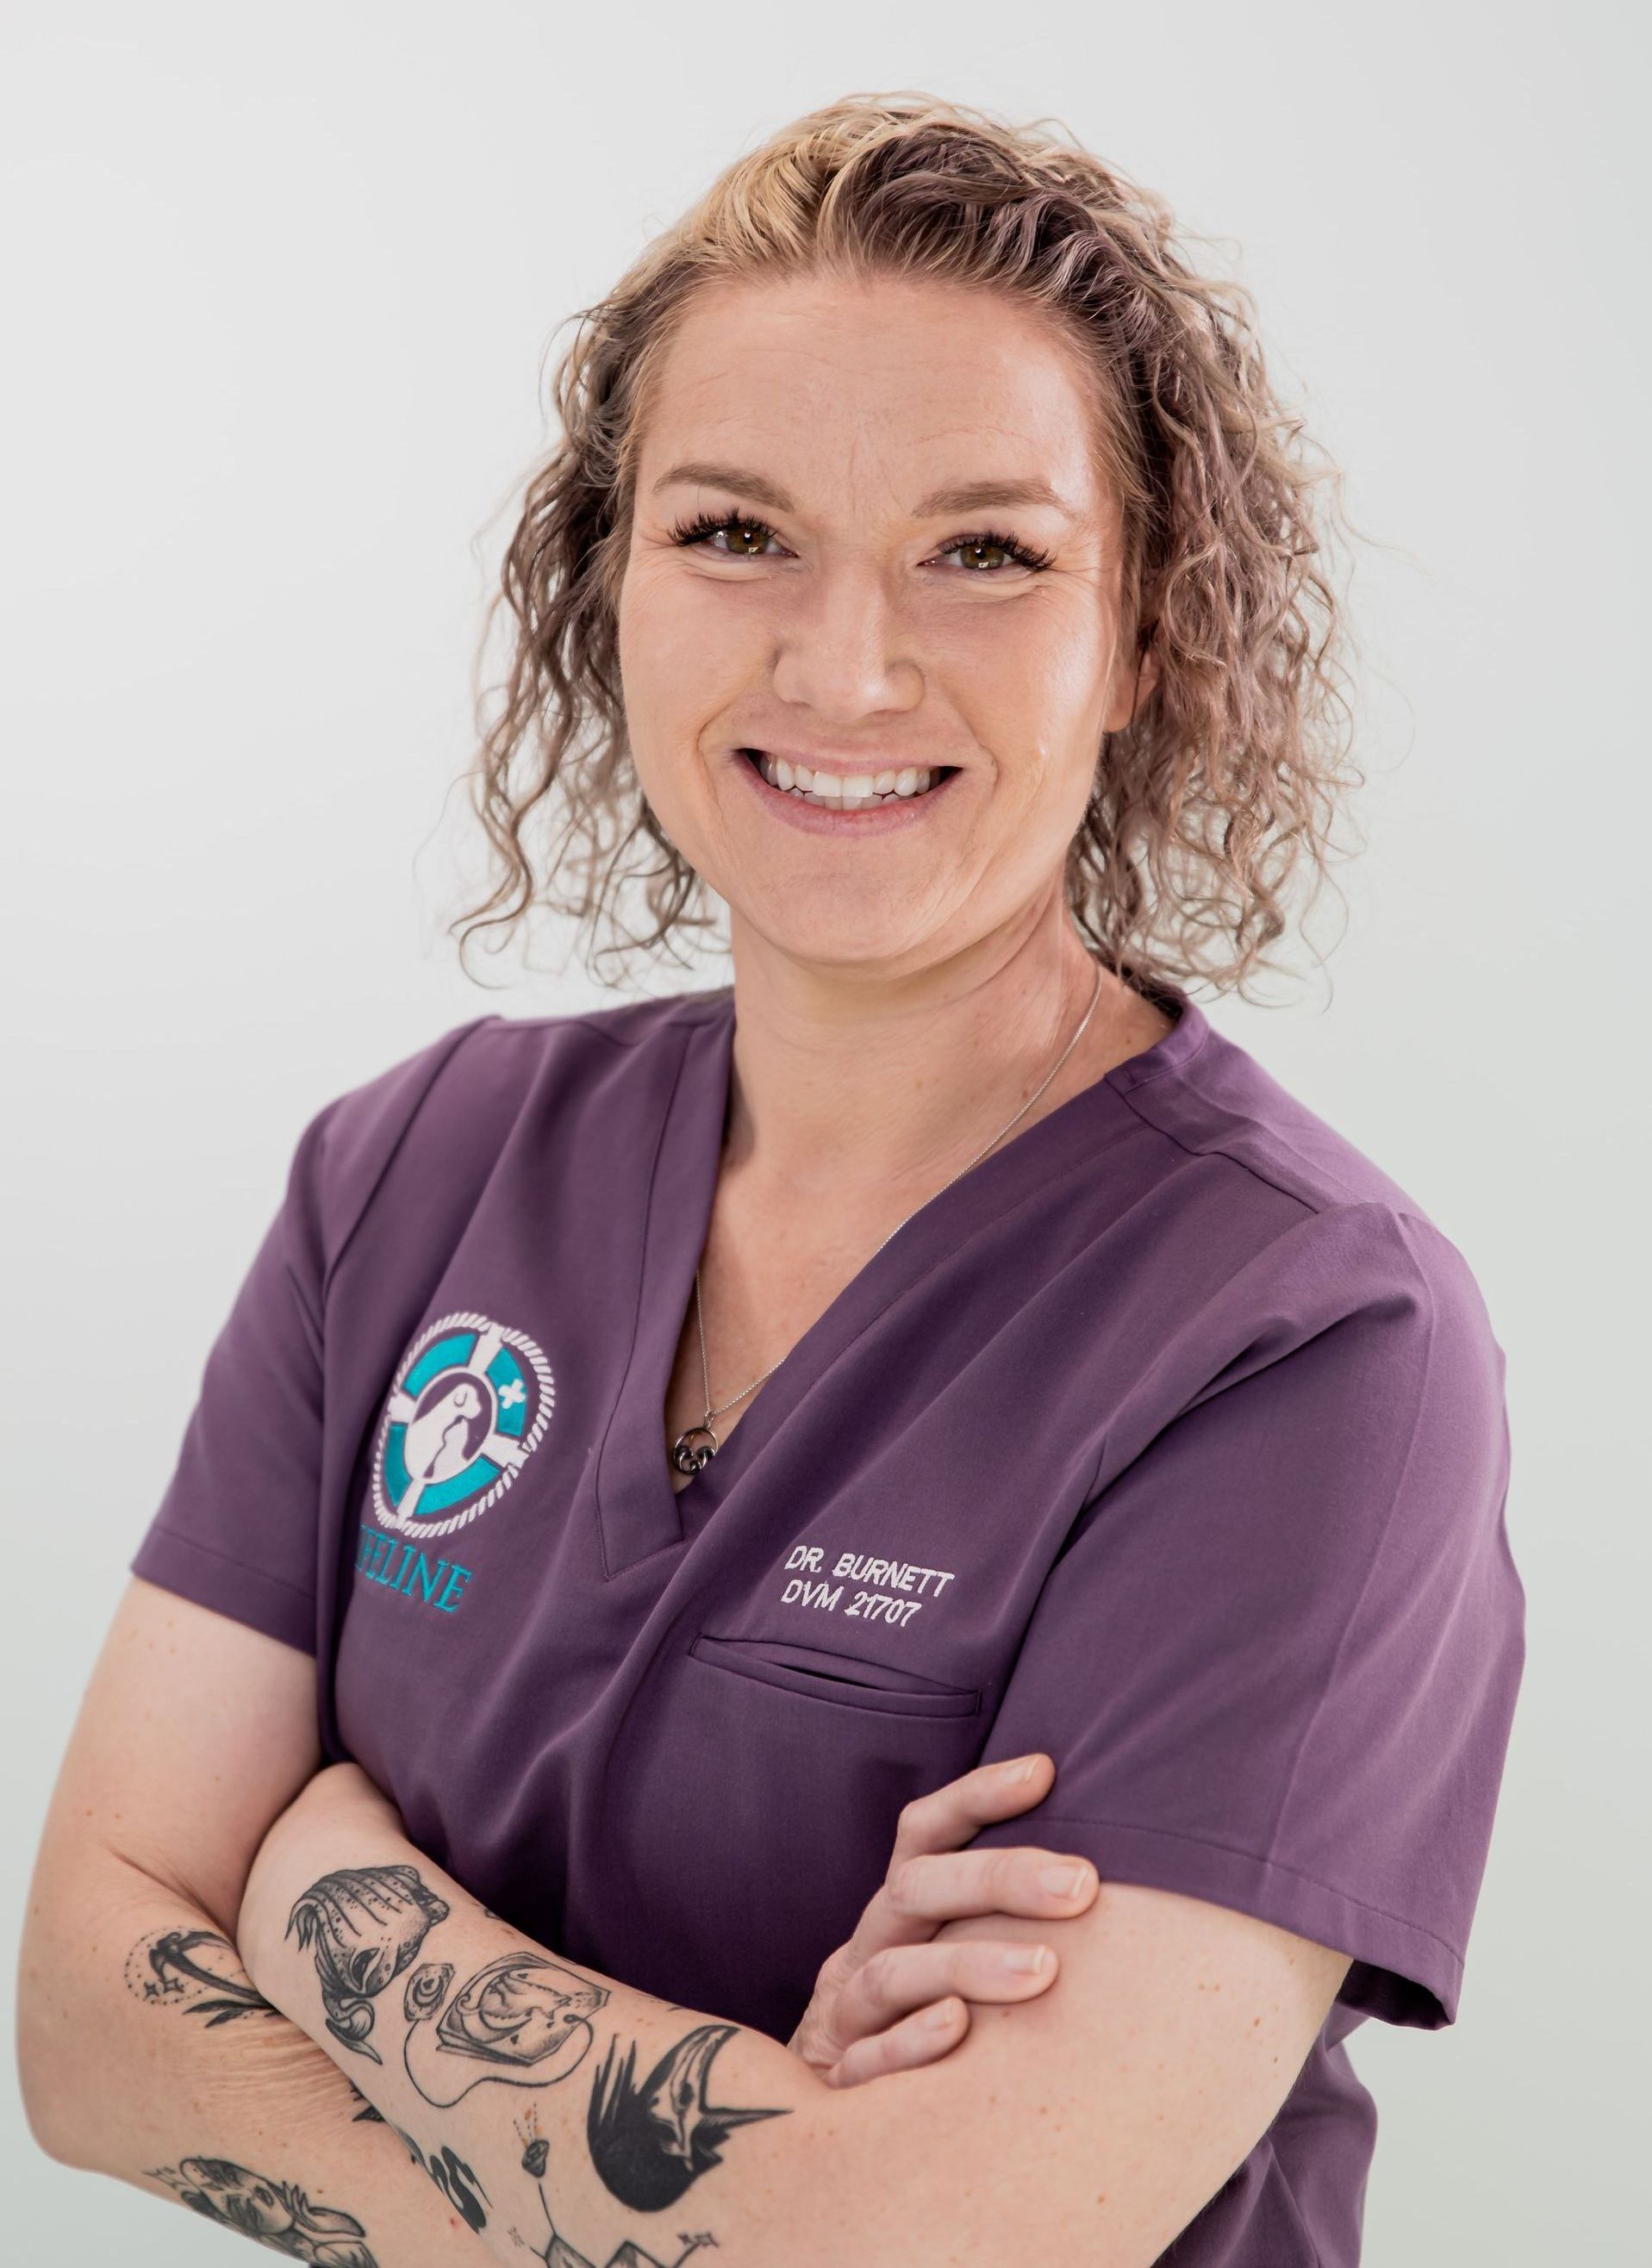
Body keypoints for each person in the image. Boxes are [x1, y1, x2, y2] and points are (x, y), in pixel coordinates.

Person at [18, 92, 1524, 2268]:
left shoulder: (1308, 1342)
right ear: (600, 582)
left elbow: (922, 2242)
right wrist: (721, 2177)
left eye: (984, 549)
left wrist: (315, 1888)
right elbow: (80, 2018)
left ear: (1148, 634)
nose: (842, 663)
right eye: (735, 532)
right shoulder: (414, 1169)